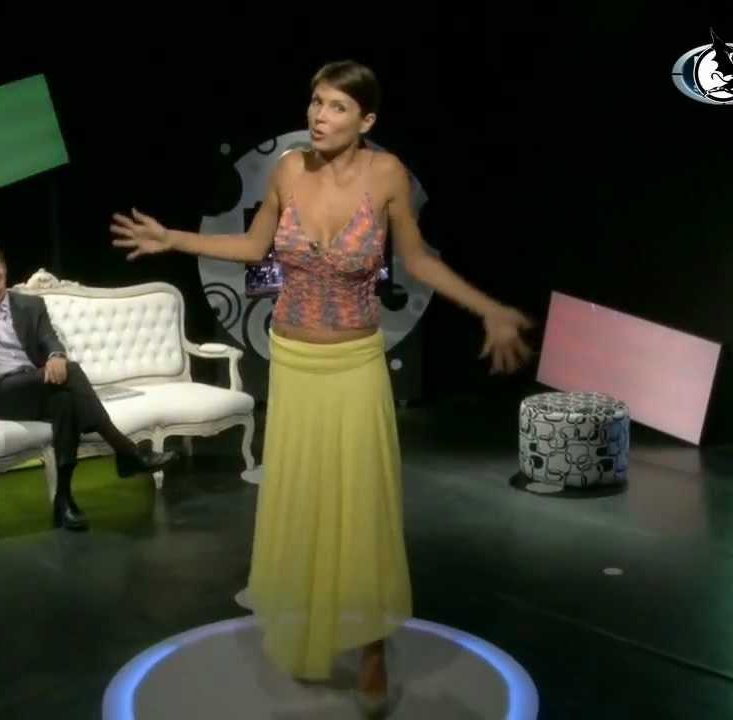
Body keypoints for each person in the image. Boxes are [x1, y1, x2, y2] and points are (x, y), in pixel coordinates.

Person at [110, 60, 533, 715]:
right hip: (295, 365)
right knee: (303, 499)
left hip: (354, 366)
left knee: (360, 504)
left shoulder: (387, 175)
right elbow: (253, 248)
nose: (319, 115)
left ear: (366, 120)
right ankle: (309, 624)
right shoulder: (287, 170)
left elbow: (417, 261)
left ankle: (371, 648)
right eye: (315, 102)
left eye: (336, 106)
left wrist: (489, 309)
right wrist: (172, 239)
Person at [0, 240, 177, 531]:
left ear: (4, 266)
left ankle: (64, 500)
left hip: (34, 385)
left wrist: (55, 355)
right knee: (72, 372)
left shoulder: (30, 305)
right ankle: (126, 452)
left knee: (65, 402)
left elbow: (50, 338)